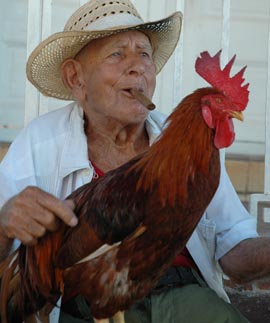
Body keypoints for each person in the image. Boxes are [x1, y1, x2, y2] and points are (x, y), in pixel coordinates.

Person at [0, 1, 269, 322]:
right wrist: (5, 222)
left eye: (144, 54)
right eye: (117, 54)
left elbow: (234, 248)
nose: (137, 67)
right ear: (76, 77)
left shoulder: (188, 147)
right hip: (86, 304)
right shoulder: (39, 142)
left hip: (179, 295)